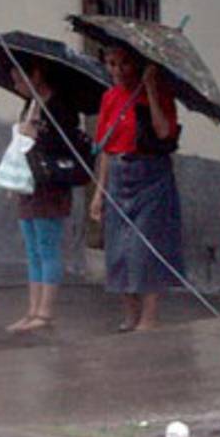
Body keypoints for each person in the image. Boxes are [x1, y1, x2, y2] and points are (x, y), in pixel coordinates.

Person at [89, 46, 183, 332]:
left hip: (151, 173)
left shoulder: (159, 93)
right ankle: (130, 313)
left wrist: (152, 90)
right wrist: (98, 192)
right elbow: (105, 149)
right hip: (119, 173)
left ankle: (150, 316)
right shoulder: (109, 97)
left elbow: (164, 131)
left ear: (138, 65)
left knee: (146, 246)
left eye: (125, 64)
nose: (117, 71)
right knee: (118, 248)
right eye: (111, 63)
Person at [4, 58, 81, 334]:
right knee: (32, 249)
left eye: (19, 79)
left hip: (51, 184)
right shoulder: (29, 104)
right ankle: (32, 309)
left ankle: (46, 312)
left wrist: (36, 133)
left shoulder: (60, 107)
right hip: (29, 181)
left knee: (47, 247)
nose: (16, 85)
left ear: (35, 75)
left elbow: (65, 143)